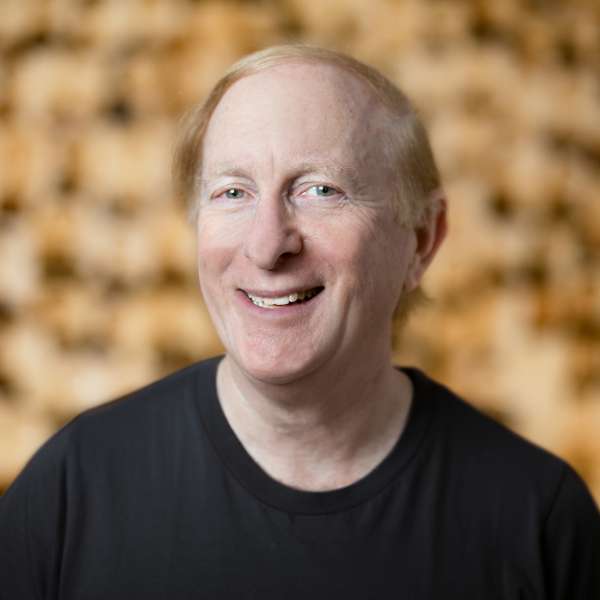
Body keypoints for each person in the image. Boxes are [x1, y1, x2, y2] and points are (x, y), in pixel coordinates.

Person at [0, 44, 598, 600]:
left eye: (320, 190)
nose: (267, 245)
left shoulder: (538, 519)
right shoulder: (74, 488)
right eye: (232, 192)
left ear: (420, 239)